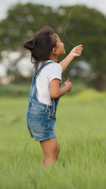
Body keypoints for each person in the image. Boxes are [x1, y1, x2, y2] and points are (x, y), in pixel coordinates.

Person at [23, 26, 83, 167]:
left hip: (36, 115)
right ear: (54, 51)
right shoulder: (52, 67)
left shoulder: (44, 65)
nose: (63, 44)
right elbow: (55, 93)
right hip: (42, 116)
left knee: (54, 151)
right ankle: (46, 180)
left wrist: (71, 55)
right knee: (51, 154)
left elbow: (57, 70)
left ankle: (43, 175)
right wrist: (66, 88)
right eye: (60, 42)